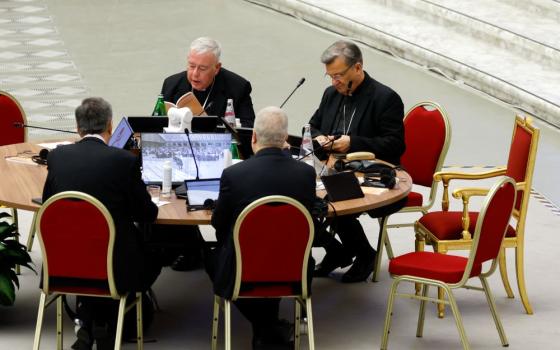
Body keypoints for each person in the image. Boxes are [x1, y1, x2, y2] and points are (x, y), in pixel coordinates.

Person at [42, 97, 162, 350]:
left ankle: (87, 322)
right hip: (113, 267)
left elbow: (48, 204)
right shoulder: (123, 161)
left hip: (64, 262)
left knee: (92, 254)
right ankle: (105, 322)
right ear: (109, 125)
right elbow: (146, 214)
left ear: (77, 128)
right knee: (151, 254)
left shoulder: (57, 157)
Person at [207, 106, 316, 349]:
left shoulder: (235, 175)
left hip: (244, 269)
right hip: (293, 267)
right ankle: (270, 329)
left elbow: (219, 225)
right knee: (272, 254)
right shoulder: (306, 174)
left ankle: (267, 329)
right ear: (285, 139)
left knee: (210, 257)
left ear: (253, 137)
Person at [309, 40, 405, 283]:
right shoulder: (331, 94)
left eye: (339, 75)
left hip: (373, 175)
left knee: (331, 200)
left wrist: (353, 143)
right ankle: (336, 250)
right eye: (330, 76)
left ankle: (364, 254)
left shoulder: (386, 98)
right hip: (332, 169)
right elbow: (313, 125)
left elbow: (394, 144)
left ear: (358, 68)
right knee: (297, 197)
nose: (334, 82)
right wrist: (319, 137)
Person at [161, 36, 256, 127]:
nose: (195, 74)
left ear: (217, 68)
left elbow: (247, 129)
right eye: (192, 66)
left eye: (202, 68)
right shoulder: (171, 84)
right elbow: (156, 124)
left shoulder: (238, 87)